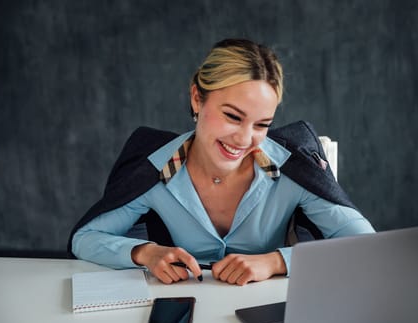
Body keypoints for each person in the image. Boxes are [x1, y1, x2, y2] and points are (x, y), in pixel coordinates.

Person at [69, 38, 375, 286]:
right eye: (232, 116)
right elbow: (85, 239)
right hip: (186, 312)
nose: (244, 139)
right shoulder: (156, 170)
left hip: (268, 312)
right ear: (197, 99)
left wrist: (276, 262)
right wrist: (144, 253)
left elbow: (365, 247)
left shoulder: (293, 172)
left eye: (261, 124)